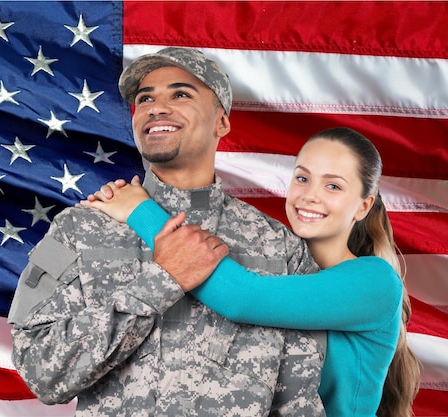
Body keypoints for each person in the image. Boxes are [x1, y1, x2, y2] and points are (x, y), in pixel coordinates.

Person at [8, 47, 327, 416]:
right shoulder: (81, 228)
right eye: (145, 99)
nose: (156, 108)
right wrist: (162, 281)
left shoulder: (281, 247)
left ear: (221, 122)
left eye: (180, 94)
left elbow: (298, 401)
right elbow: (40, 372)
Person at [82, 127, 421, 417]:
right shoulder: (275, 264)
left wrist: (139, 211)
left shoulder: (374, 281)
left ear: (363, 204)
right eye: (302, 178)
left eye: (333, 186)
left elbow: (240, 297)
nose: (309, 196)